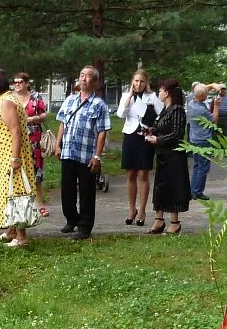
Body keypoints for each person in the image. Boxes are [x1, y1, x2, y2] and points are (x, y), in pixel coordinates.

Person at [55, 65, 111, 240]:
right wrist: (58, 145)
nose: (84, 78)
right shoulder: (70, 100)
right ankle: (71, 219)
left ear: (94, 82)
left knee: (87, 192)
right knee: (67, 190)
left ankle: (85, 227)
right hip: (68, 152)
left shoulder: (99, 104)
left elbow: (102, 131)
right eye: (81, 75)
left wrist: (97, 156)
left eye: (88, 76)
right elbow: (63, 123)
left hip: (86, 154)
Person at [0, 68, 36, 248]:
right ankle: (11, 230)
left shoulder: (6, 102)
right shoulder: (8, 99)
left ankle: (21, 237)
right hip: (5, 156)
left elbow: (15, 130)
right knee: (9, 193)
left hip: (12, 156)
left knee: (16, 194)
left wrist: (15, 159)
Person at [116, 69, 163, 227]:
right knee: (130, 174)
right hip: (130, 135)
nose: (138, 84)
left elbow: (161, 114)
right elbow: (121, 114)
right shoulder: (126, 96)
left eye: (142, 81)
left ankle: (142, 210)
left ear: (146, 83)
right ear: (132, 82)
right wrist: (129, 98)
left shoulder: (153, 97)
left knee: (143, 173)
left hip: (145, 137)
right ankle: (131, 209)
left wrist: (153, 129)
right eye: (136, 81)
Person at [143, 79, 189, 235]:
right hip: (162, 155)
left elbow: (177, 134)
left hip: (174, 156)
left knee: (173, 188)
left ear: (167, 93)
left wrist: (158, 140)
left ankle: (175, 222)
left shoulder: (177, 110)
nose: (159, 93)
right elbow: (159, 128)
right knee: (160, 187)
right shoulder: (164, 110)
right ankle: (159, 219)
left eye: (161, 91)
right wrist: (149, 132)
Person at [11, 72, 50, 217]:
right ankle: (22, 204)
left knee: (37, 172)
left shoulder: (35, 97)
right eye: (15, 82)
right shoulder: (10, 98)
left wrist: (31, 118)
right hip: (15, 140)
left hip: (34, 139)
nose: (17, 84)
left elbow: (45, 115)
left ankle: (40, 203)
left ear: (27, 83)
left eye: (20, 81)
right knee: (19, 172)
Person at [186, 83, 216, 200]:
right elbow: (214, 119)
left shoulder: (191, 103)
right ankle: (197, 191)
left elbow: (199, 92)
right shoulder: (201, 110)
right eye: (206, 94)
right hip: (203, 139)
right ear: (203, 96)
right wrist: (217, 105)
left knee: (197, 165)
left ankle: (193, 189)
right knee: (203, 166)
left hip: (194, 138)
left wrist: (213, 85)